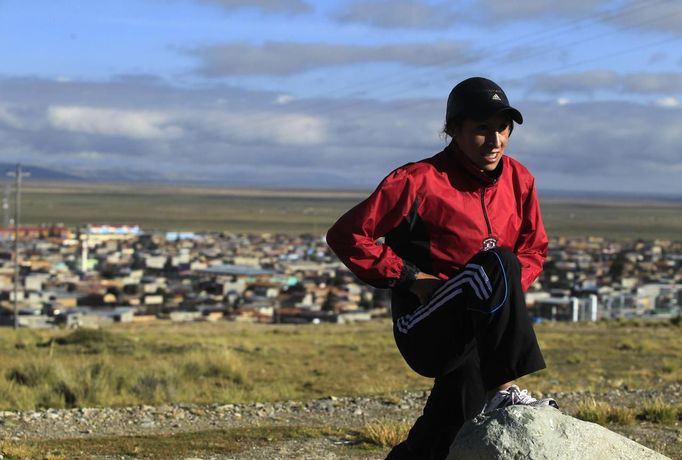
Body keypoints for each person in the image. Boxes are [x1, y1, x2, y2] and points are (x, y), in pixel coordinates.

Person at [326, 77, 557, 460]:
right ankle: (505, 391)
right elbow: (347, 235)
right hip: (425, 324)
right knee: (496, 260)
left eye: (503, 128)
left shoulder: (520, 179)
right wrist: (409, 276)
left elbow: (533, 249)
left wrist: (503, 295)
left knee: (448, 425)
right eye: (481, 129)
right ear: (453, 130)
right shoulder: (418, 181)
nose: (495, 140)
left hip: (476, 324)